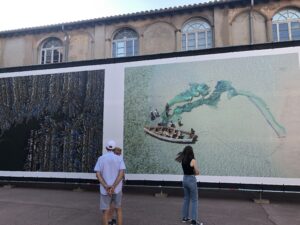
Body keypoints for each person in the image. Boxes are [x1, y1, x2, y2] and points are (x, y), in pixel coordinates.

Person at [94, 140, 126, 225]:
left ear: (106, 148)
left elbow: (97, 174)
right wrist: (114, 186)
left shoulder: (101, 159)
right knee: (118, 209)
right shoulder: (119, 159)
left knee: (105, 211)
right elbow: (121, 174)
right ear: (114, 148)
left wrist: (105, 186)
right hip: (117, 189)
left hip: (105, 190)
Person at [175, 146, 202, 225]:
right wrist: (195, 171)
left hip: (185, 179)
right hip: (191, 180)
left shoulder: (182, 159)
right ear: (191, 152)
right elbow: (197, 173)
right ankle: (193, 221)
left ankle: (185, 218)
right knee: (194, 200)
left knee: (186, 198)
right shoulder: (193, 160)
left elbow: (177, 158)